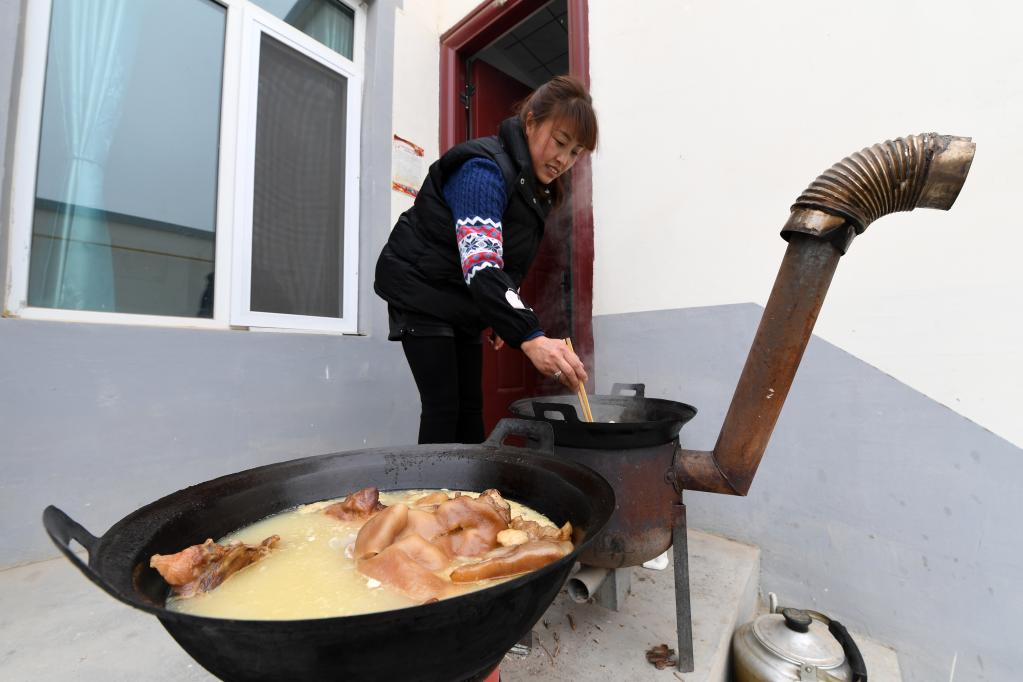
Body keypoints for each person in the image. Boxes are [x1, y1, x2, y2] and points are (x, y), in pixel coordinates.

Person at [375, 75, 598, 445]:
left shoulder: (534, 190)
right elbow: (482, 264)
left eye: (575, 152)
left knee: (471, 409)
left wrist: (498, 314)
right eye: (560, 142)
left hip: (462, 298)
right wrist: (529, 335)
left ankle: (473, 482)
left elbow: (506, 263)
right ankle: (433, 484)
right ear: (531, 122)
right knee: (443, 407)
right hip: (420, 289)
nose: (563, 160)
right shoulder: (482, 170)